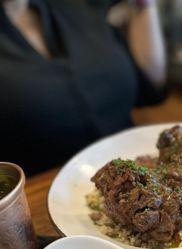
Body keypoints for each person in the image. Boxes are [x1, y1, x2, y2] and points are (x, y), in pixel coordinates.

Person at [0, 0, 166, 175]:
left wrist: (145, 5)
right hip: (41, 194)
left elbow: (149, 85)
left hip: (139, 173)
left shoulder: (80, 7)